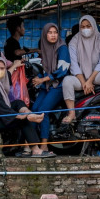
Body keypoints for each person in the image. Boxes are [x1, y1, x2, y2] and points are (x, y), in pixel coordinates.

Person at [0, 57, 51, 157]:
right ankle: (35, 150)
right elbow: (2, 107)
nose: (0, 71)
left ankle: (28, 112)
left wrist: (25, 113)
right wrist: (23, 116)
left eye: (2, 68)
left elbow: (8, 76)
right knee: (23, 121)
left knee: (18, 102)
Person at [62, 15, 100, 124]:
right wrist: (84, 82)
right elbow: (74, 65)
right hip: (80, 78)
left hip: (95, 77)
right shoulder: (74, 41)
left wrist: (90, 81)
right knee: (67, 81)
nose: (85, 29)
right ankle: (71, 113)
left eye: (88, 26)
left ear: (94, 26)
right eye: (83, 27)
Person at [30, 23, 71, 156]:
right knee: (34, 110)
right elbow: (46, 69)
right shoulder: (45, 47)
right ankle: (32, 144)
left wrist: (43, 79)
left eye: (55, 32)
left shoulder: (62, 47)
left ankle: (44, 145)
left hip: (58, 85)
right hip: (47, 85)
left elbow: (62, 71)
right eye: (50, 32)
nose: (53, 35)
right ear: (45, 34)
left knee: (43, 111)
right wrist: (38, 79)